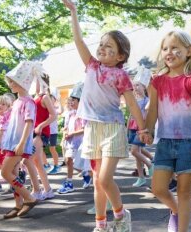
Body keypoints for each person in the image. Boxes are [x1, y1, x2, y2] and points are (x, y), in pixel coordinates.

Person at [63, 1, 147, 231]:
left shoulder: (120, 76)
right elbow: (78, 40)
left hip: (112, 128)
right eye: (101, 44)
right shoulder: (91, 65)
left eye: (109, 47)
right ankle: (101, 225)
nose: (101, 49)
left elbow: (132, 104)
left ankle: (121, 214)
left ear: (121, 56)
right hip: (92, 129)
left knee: (103, 178)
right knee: (98, 184)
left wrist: (143, 129)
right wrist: (74, 12)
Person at [142, 30, 191, 232]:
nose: (168, 52)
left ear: (188, 51)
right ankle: (176, 211)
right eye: (165, 48)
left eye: (174, 48)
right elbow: (152, 110)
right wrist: (149, 131)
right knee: (158, 188)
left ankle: (182, 229)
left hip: (189, 143)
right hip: (165, 142)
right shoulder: (157, 81)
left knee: (184, 191)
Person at [0, 61, 41, 218]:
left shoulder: (28, 102)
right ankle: (18, 205)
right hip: (12, 143)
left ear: (23, 82)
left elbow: (29, 123)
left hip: (19, 144)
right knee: (13, 173)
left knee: (5, 172)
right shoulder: (17, 101)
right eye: (9, 81)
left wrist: (22, 143)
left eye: (12, 81)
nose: (10, 84)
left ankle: (29, 198)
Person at [57, 83, 90, 194]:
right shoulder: (70, 113)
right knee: (68, 160)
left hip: (81, 141)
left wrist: (72, 133)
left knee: (77, 163)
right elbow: (66, 126)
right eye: (70, 101)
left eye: (74, 101)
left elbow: (85, 129)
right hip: (71, 142)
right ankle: (69, 182)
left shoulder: (84, 113)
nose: (71, 103)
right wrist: (65, 131)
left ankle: (85, 175)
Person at [30, 74, 55, 200]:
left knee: (28, 159)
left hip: (41, 133)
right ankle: (48, 190)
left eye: (37, 81)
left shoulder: (45, 97)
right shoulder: (34, 98)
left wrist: (41, 126)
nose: (35, 84)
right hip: (32, 132)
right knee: (37, 162)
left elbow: (54, 115)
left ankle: (36, 190)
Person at [128, 80, 153, 187]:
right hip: (133, 128)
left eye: (138, 85)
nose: (135, 88)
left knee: (134, 151)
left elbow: (147, 115)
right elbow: (130, 114)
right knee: (137, 154)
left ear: (144, 87)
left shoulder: (147, 100)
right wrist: (127, 127)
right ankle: (141, 177)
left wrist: (147, 130)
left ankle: (150, 165)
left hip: (141, 128)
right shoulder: (134, 100)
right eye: (134, 86)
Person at [48, 94, 64, 174]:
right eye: (49, 99)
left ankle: (56, 166)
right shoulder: (46, 108)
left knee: (52, 148)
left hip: (53, 132)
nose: (50, 100)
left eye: (52, 99)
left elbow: (61, 111)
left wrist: (60, 101)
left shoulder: (55, 109)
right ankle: (46, 165)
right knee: (39, 149)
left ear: (54, 101)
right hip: (45, 131)